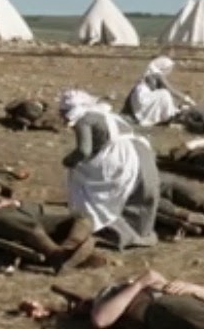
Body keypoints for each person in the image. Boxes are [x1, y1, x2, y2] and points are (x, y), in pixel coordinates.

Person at [60, 89, 160, 249]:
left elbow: (84, 151)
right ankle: (142, 232)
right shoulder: (111, 115)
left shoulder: (84, 120)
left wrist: (68, 161)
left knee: (86, 186)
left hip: (121, 159)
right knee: (139, 196)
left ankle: (94, 222)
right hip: (143, 154)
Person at [0, 195, 104, 272]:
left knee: (82, 217)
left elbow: (36, 207)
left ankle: (71, 247)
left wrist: (15, 202)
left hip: (25, 212)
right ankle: (58, 256)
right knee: (31, 227)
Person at [123, 56, 194, 127]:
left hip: (141, 99)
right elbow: (171, 90)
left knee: (164, 95)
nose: (170, 71)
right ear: (163, 68)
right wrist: (188, 99)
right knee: (164, 94)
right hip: (144, 100)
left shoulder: (150, 74)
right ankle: (168, 117)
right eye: (169, 69)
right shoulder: (157, 75)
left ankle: (167, 115)